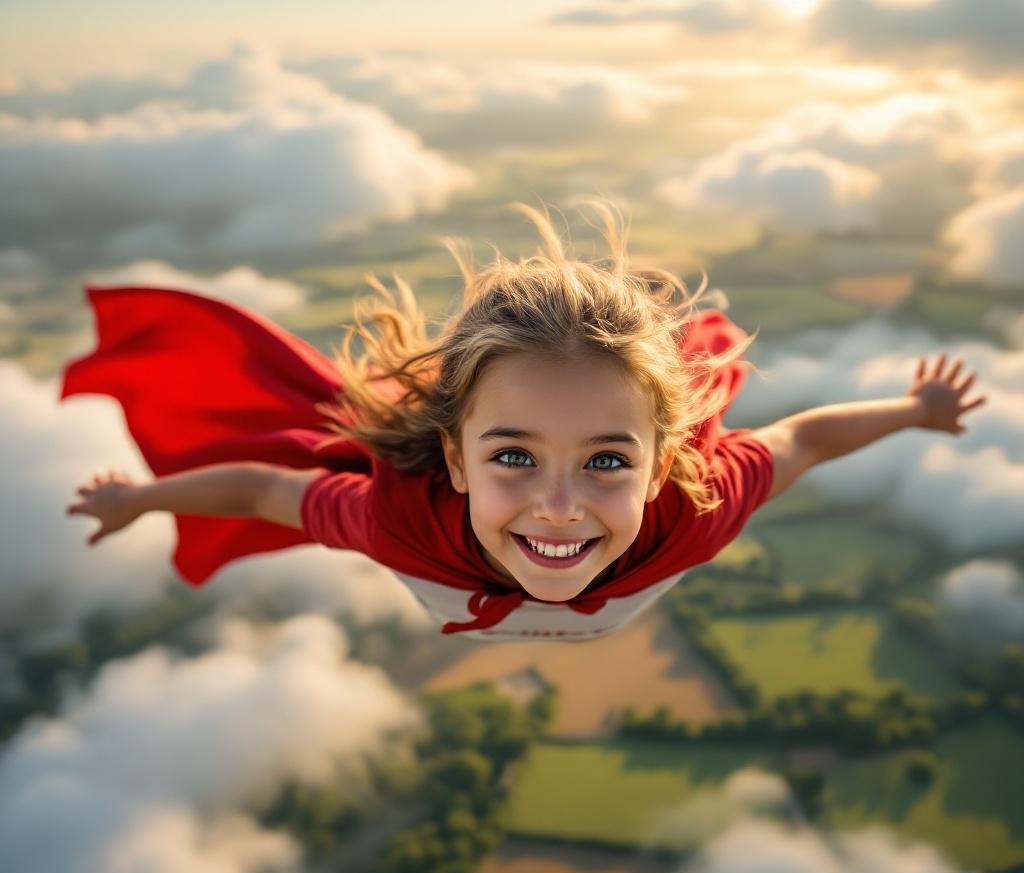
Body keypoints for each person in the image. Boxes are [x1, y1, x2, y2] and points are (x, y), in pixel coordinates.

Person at [63, 201, 986, 641]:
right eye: (512, 454)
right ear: (454, 459)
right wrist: (144, 499)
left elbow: (801, 440)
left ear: (661, 464)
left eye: (606, 462)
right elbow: (266, 486)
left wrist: (917, 410)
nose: (556, 505)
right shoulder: (401, 515)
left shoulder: (694, 507)